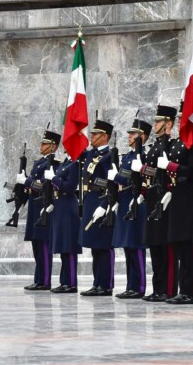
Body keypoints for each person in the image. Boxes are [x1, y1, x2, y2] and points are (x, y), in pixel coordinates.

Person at [160, 102, 193, 304]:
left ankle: (192, 291)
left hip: (188, 198)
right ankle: (182, 288)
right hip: (176, 195)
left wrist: (171, 166)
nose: (180, 122)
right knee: (178, 245)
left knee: (188, 246)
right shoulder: (177, 143)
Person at [133, 105, 176, 302]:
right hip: (151, 197)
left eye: (159, 121)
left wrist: (143, 169)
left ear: (168, 124)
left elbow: (163, 173)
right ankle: (157, 287)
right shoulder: (156, 146)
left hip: (163, 198)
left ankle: (167, 289)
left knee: (164, 246)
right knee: (154, 246)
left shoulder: (168, 145)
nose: (155, 124)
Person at [111, 119, 151, 299]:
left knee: (136, 246)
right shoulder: (127, 156)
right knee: (128, 247)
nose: (129, 136)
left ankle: (139, 286)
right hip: (125, 202)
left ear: (142, 137)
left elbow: (140, 182)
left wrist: (118, 178)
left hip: (137, 203)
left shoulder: (144, 155)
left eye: (133, 134)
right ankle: (130, 285)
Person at [19, 130, 59, 291]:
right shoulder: (39, 162)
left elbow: (43, 186)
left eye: (44, 143)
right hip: (35, 207)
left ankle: (45, 281)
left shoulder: (53, 164)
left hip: (44, 207)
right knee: (37, 246)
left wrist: (27, 181)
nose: (41, 146)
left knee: (44, 246)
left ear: (53, 146)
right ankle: (38, 279)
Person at [79, 119, 115, 296]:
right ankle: (97, 282)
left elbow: (111, 183)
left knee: (103, 246)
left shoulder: (109, 156)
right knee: (94, 246)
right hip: (90, 199)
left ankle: (106, 284)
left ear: (105, 136)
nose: (91, 136)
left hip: (102, 200)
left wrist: (104, 205)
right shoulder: (91, 155)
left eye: (95, 134)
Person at [44, 135, 83, 294]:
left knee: (69, 248)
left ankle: (71, 283)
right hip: (60, 208)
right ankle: (64, 281)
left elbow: (69, 187)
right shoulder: (65, 163)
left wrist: (53, 178)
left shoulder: (74, 164)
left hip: (69, 208)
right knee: (63, 248)